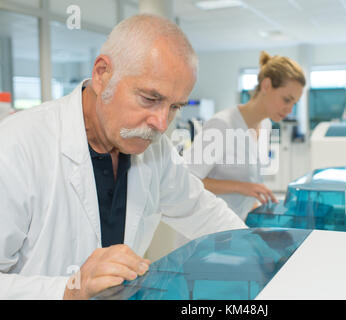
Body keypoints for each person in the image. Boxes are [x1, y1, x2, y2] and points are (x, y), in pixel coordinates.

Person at [0, 14, 246, 300]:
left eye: (175, 106)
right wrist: (66, 291)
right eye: (150, 99)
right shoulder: (17, 145)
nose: (162, 123)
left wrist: (260, 250)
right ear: (102, 74)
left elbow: (200, 210)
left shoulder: (154, 149)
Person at [184, 51, 305, 221]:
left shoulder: (266, 125)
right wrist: (242, 187)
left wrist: (257, 205)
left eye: (294, 103)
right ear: (266, 85)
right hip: (206, 227)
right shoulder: (222, 125)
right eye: (286, 99)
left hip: (236, 224)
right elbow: (187, 181)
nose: (290, 109)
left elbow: (250, 184)